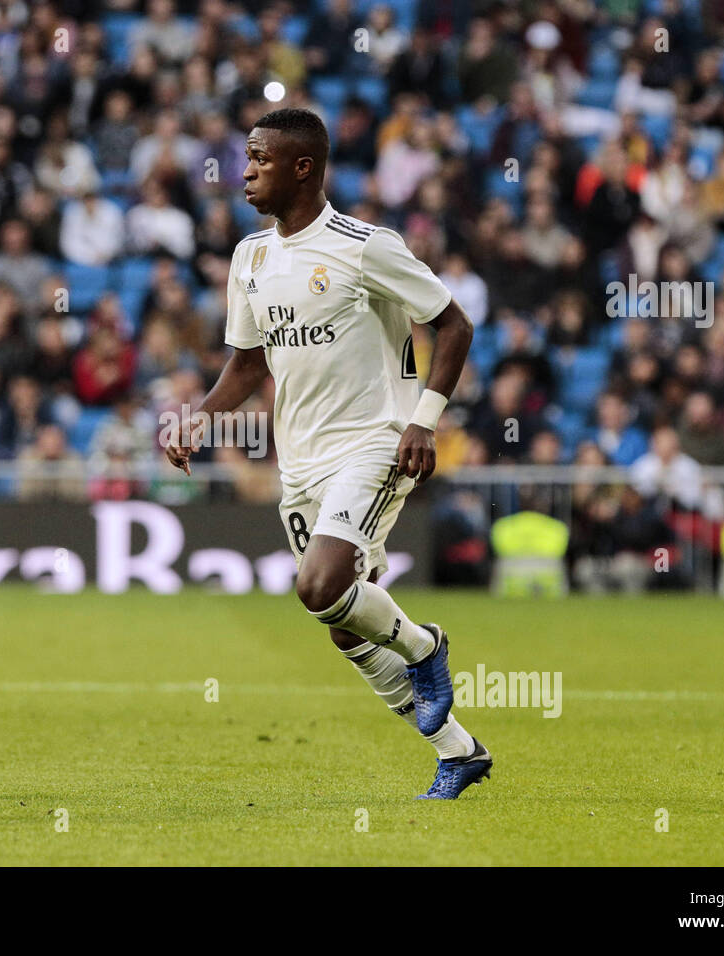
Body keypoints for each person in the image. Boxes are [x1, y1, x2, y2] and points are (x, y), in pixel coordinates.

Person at [165, 108, 490, 799]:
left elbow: (454, 323)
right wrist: (201, 419)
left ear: (302, 167)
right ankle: (458, 753)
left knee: (318, 585)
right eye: (246, 157)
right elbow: (249, 363)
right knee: (343, 624)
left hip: (374, 442)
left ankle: (426, 648)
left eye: (260, 158)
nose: (246, 170)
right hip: (301, 462)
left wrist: (424, 423)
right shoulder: (250, 257)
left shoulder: (365, 246)